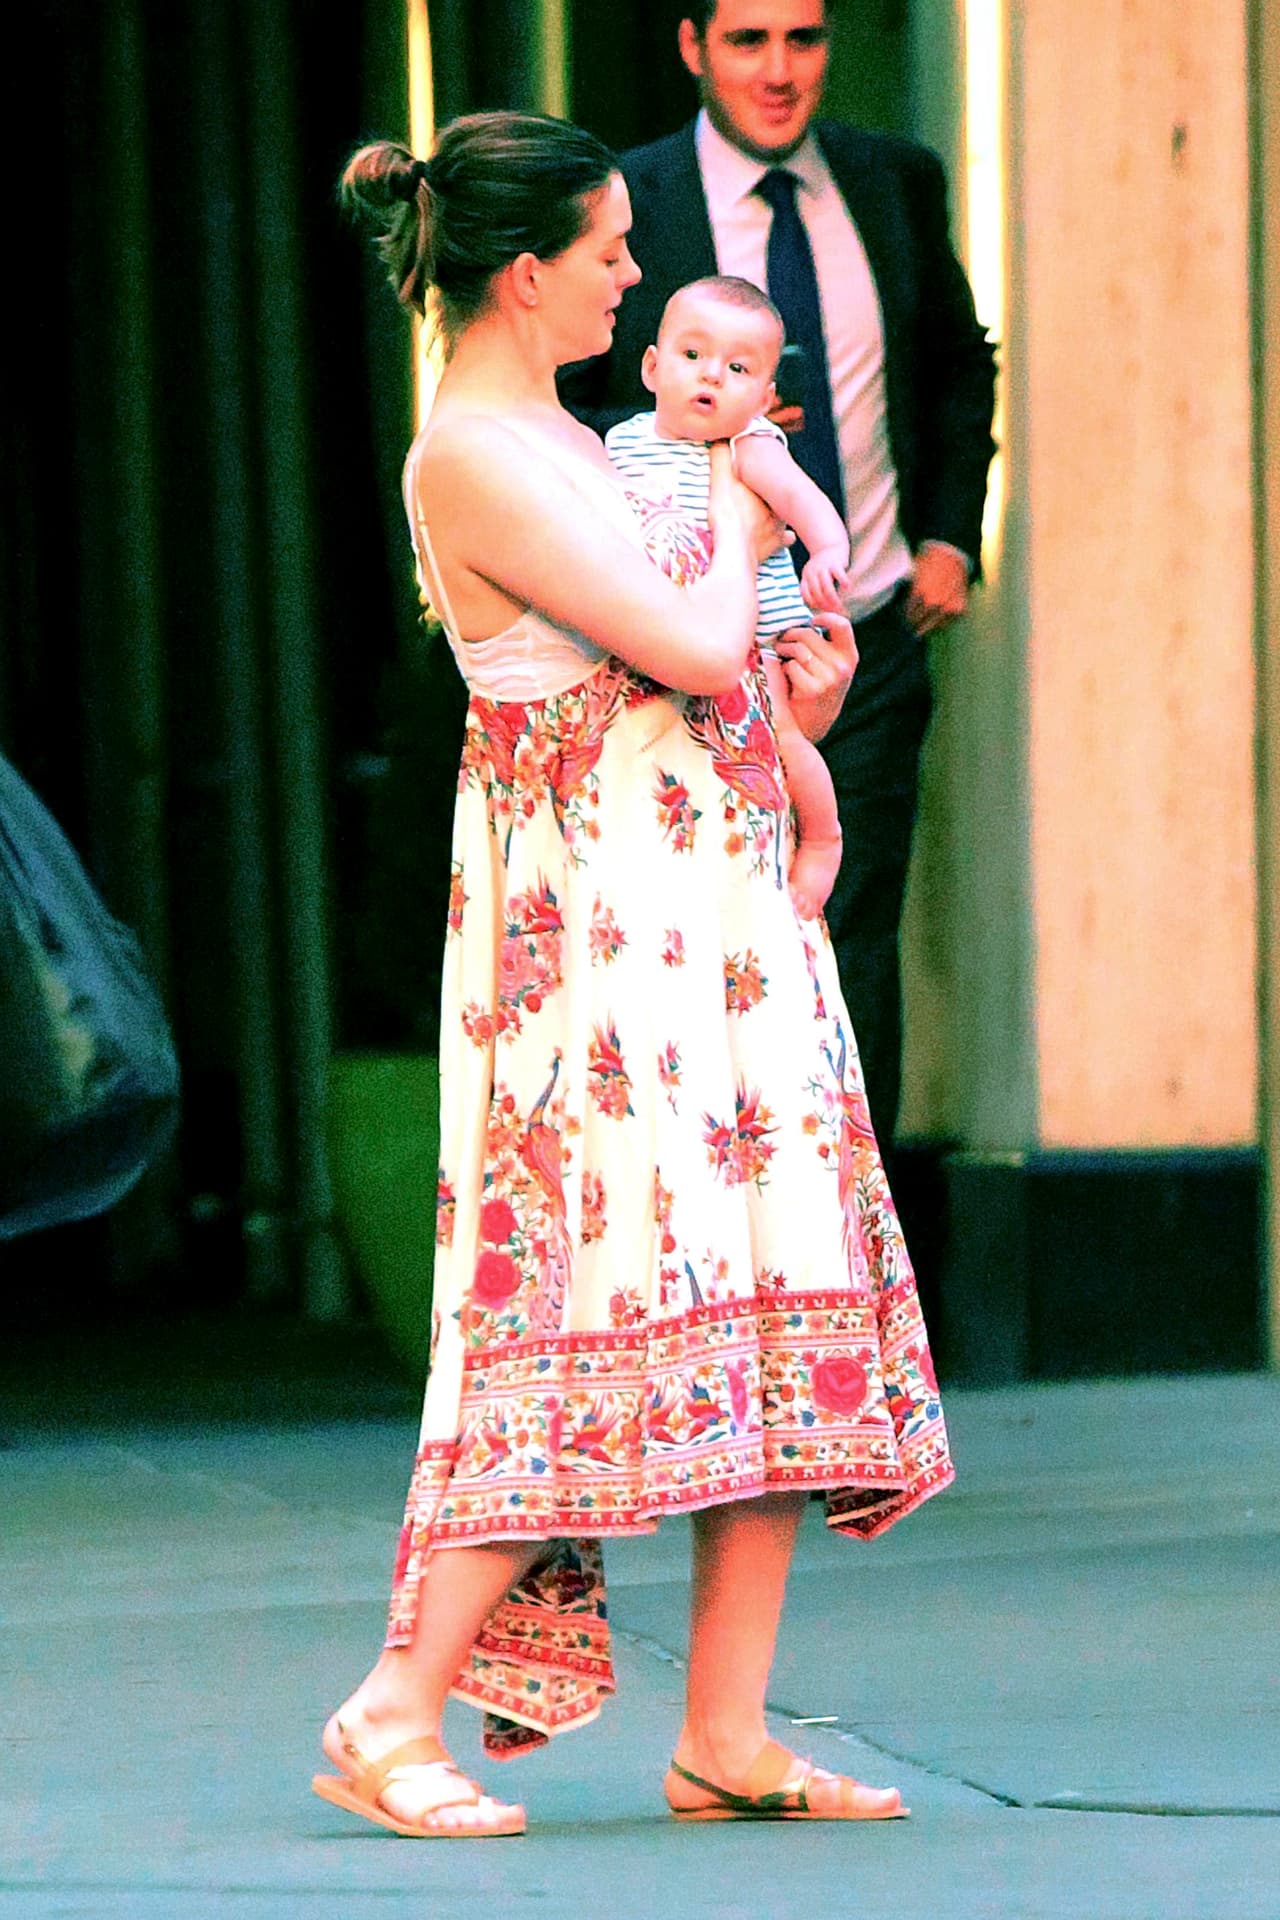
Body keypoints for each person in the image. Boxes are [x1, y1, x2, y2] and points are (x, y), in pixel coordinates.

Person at [322, 108, 952, 1841]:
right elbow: (681, 638)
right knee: (581, 1310)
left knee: (772, 1279)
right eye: (607, 250)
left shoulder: (570, 433)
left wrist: (795, 693)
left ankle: (726, 1733)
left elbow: (706, 672)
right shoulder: (476, 452)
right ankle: (390, 1708)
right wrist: (749, 511)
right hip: (598, 947)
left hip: (706, 906)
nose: (631, 273)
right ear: (527, 275)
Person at [561, 0, 998, 1147]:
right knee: (700, 946)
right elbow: (567, 407)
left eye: (801, 39)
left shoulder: (893, 180)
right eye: (747, 40)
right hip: (676, 663)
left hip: (860, 635)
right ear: (691, 46)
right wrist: (690, 437)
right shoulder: (629, 199)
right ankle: (733, 1229)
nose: (777, 69)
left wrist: (950, 537)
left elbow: (957, 363)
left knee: (849, 936)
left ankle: (858, 1234)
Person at [605, 272, 846, 918]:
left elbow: (805, 502)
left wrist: (828, 553)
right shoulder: (622, 443)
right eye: (692, 355)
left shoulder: (748, 447)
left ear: (765, 397)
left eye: (737, 368)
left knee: (784, 740)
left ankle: (823, 839)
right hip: (668, 634)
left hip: (755, 638)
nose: (711, 375)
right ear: (652, 367)